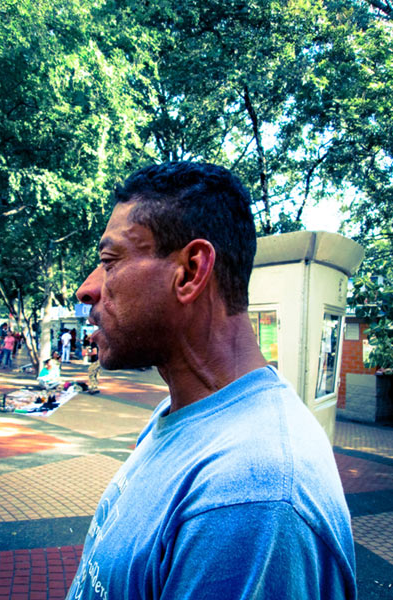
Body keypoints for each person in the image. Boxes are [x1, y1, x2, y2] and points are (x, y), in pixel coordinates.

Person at [67, 162, 356, 600]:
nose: (87, 289)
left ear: (190, 271)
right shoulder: (183, 411)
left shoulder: (250, 498)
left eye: (109, 262)